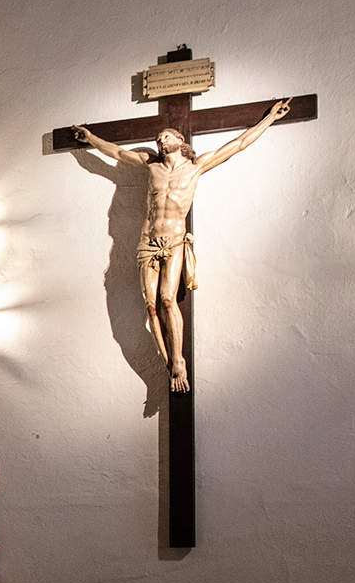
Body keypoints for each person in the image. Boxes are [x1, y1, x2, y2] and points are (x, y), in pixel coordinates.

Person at [72, 98, 290, 392]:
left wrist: (270, 118)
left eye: (166, 136)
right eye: (158, 138)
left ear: (180, 140)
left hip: (174, 240)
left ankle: (178, 361)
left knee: (166, 299)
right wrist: (91, 139)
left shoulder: (195, 166)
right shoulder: (151, 165)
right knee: (149, 307)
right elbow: (119, 153)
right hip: (148, 241)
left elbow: (238, 144)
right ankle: (168, 365)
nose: (160, 140)